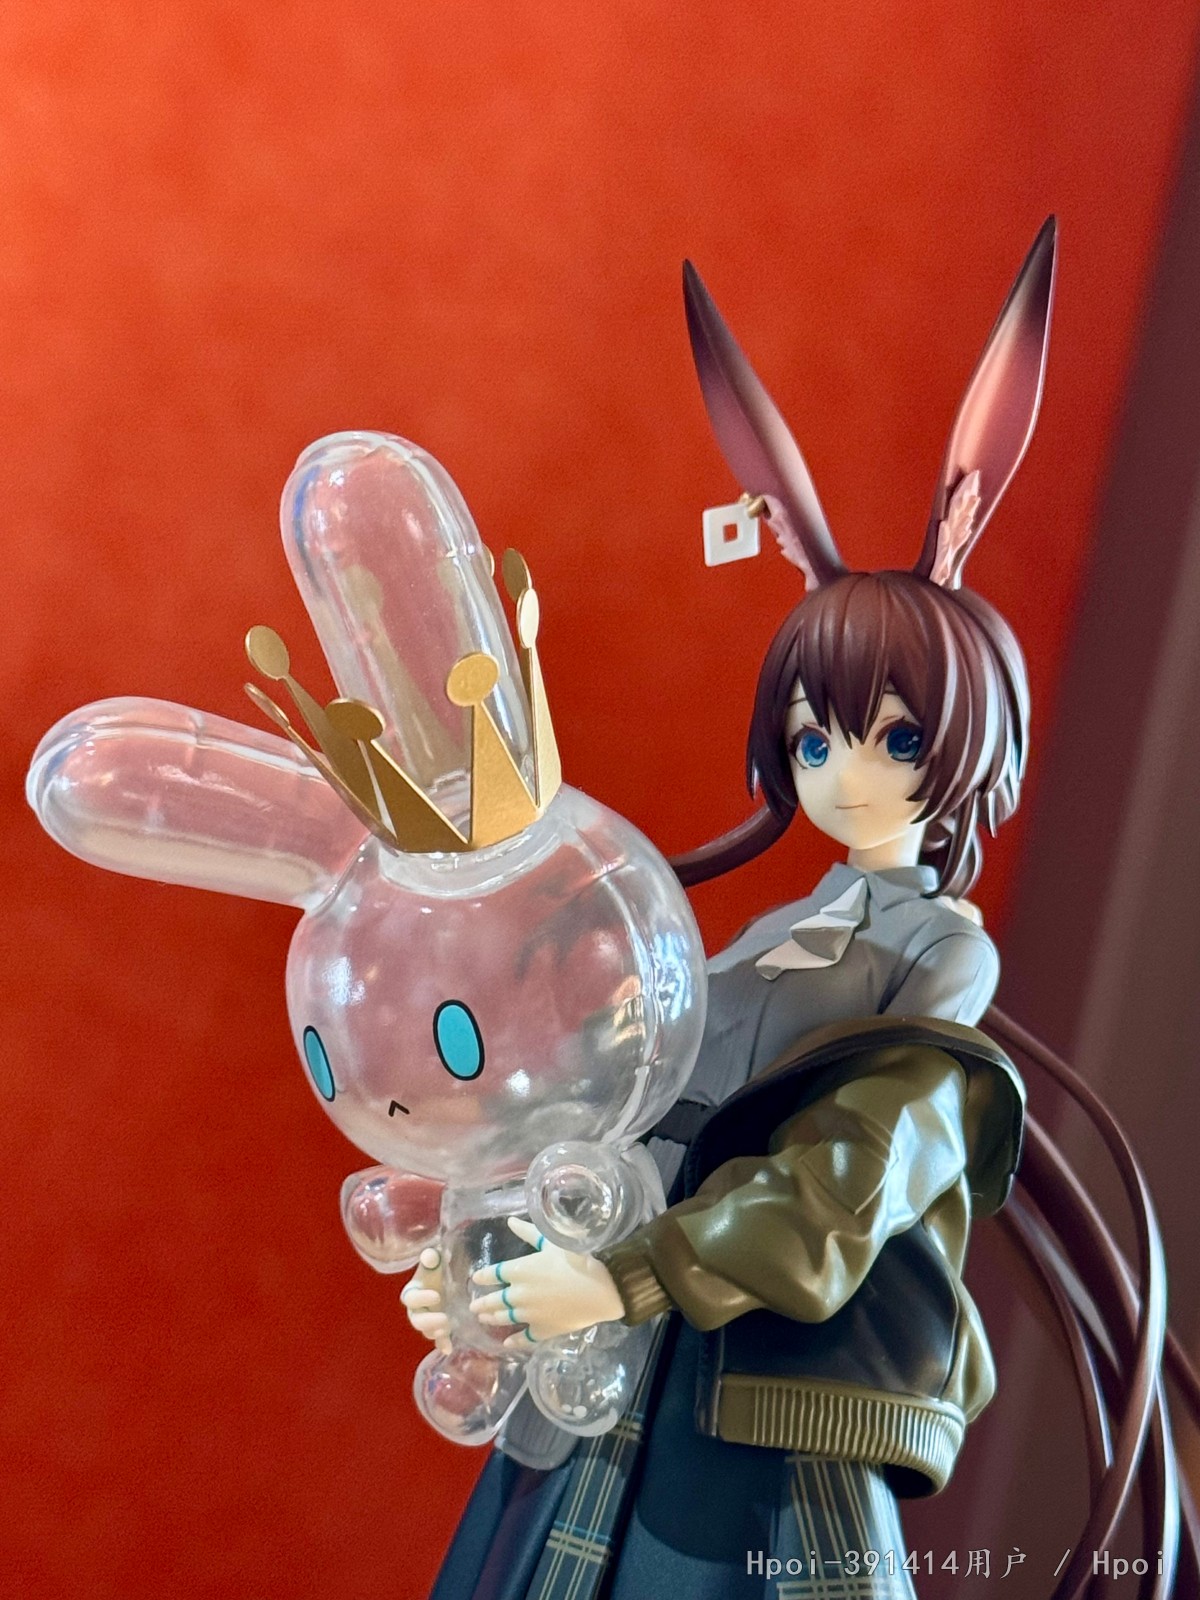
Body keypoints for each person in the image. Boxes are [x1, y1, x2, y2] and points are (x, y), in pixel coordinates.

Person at [418, 225, 1062, 1600]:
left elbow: (857, 1167)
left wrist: (636, 1276)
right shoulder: (772, 934)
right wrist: (493, 1257)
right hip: (632, 1347)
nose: (844, 772)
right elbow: (623, 1118)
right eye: (816, 739)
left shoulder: (941, 952)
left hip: (762, 1375)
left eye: (893, 737)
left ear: (967, 742)